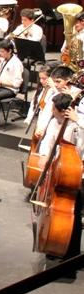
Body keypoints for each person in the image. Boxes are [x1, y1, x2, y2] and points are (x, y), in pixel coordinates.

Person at [41, 93, 83, 262]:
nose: (51, 111)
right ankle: (55, 243)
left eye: (53, 109)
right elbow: (48, 142)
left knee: (74, 213)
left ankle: (71, 255)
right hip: (60, 170)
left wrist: (78, 120)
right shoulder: (54, 121)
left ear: (63, 111)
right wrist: (44, 157)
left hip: (76, 170)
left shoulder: (77, 125)